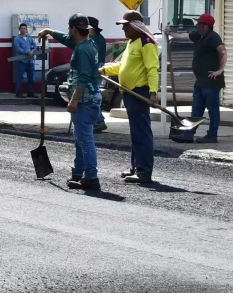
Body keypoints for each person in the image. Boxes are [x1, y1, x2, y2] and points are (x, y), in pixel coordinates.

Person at [102, 10, 161, 184]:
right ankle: (135, 167)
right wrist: (104, 69)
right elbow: (122, 66)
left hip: (139, 92)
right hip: (128, 93)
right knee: (136, 132)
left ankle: (144, 171)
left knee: (142, 132)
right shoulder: (132, 42)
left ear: (136, 26)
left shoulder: (147, 43)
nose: (123, 29)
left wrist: (153, 93)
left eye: (126, 26)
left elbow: (152, 69)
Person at [63, 14, 102, 190]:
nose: (68, 32)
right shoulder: (88, 45)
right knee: (80, 139)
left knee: (85, 140)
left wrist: (74, 99)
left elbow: (84, 77)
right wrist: (49, 32)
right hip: (88, 100)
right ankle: (78, 173)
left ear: (74, 29)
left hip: (85, 101)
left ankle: (91, 177)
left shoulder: (83, 49)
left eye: (69, 28)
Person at [186, 13, 227, 143]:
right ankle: (189, 134)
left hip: (211, 82)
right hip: (200, 80)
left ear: (205, 26)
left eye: (198, 23)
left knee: (212, 110)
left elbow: (223, 52)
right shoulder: (199, 36)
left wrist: (220, 70)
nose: (196, 25)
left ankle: (212, 135)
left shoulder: (213, 37)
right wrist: (168, 32)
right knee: (196, 109)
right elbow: (183, 36)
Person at [11, 23, 36, 98]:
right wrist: (28, 52)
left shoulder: (29, 37)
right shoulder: (17, 39)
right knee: (20, 77)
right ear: (19, 29)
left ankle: (30, 92)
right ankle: (18, 92)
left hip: (30, 60)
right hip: (21, 61)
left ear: (26, 29)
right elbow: (18, 49)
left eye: (24, 28)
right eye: (22, 28)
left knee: (31, 77)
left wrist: (32, 51)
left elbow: (35, 45)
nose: (23, 30)